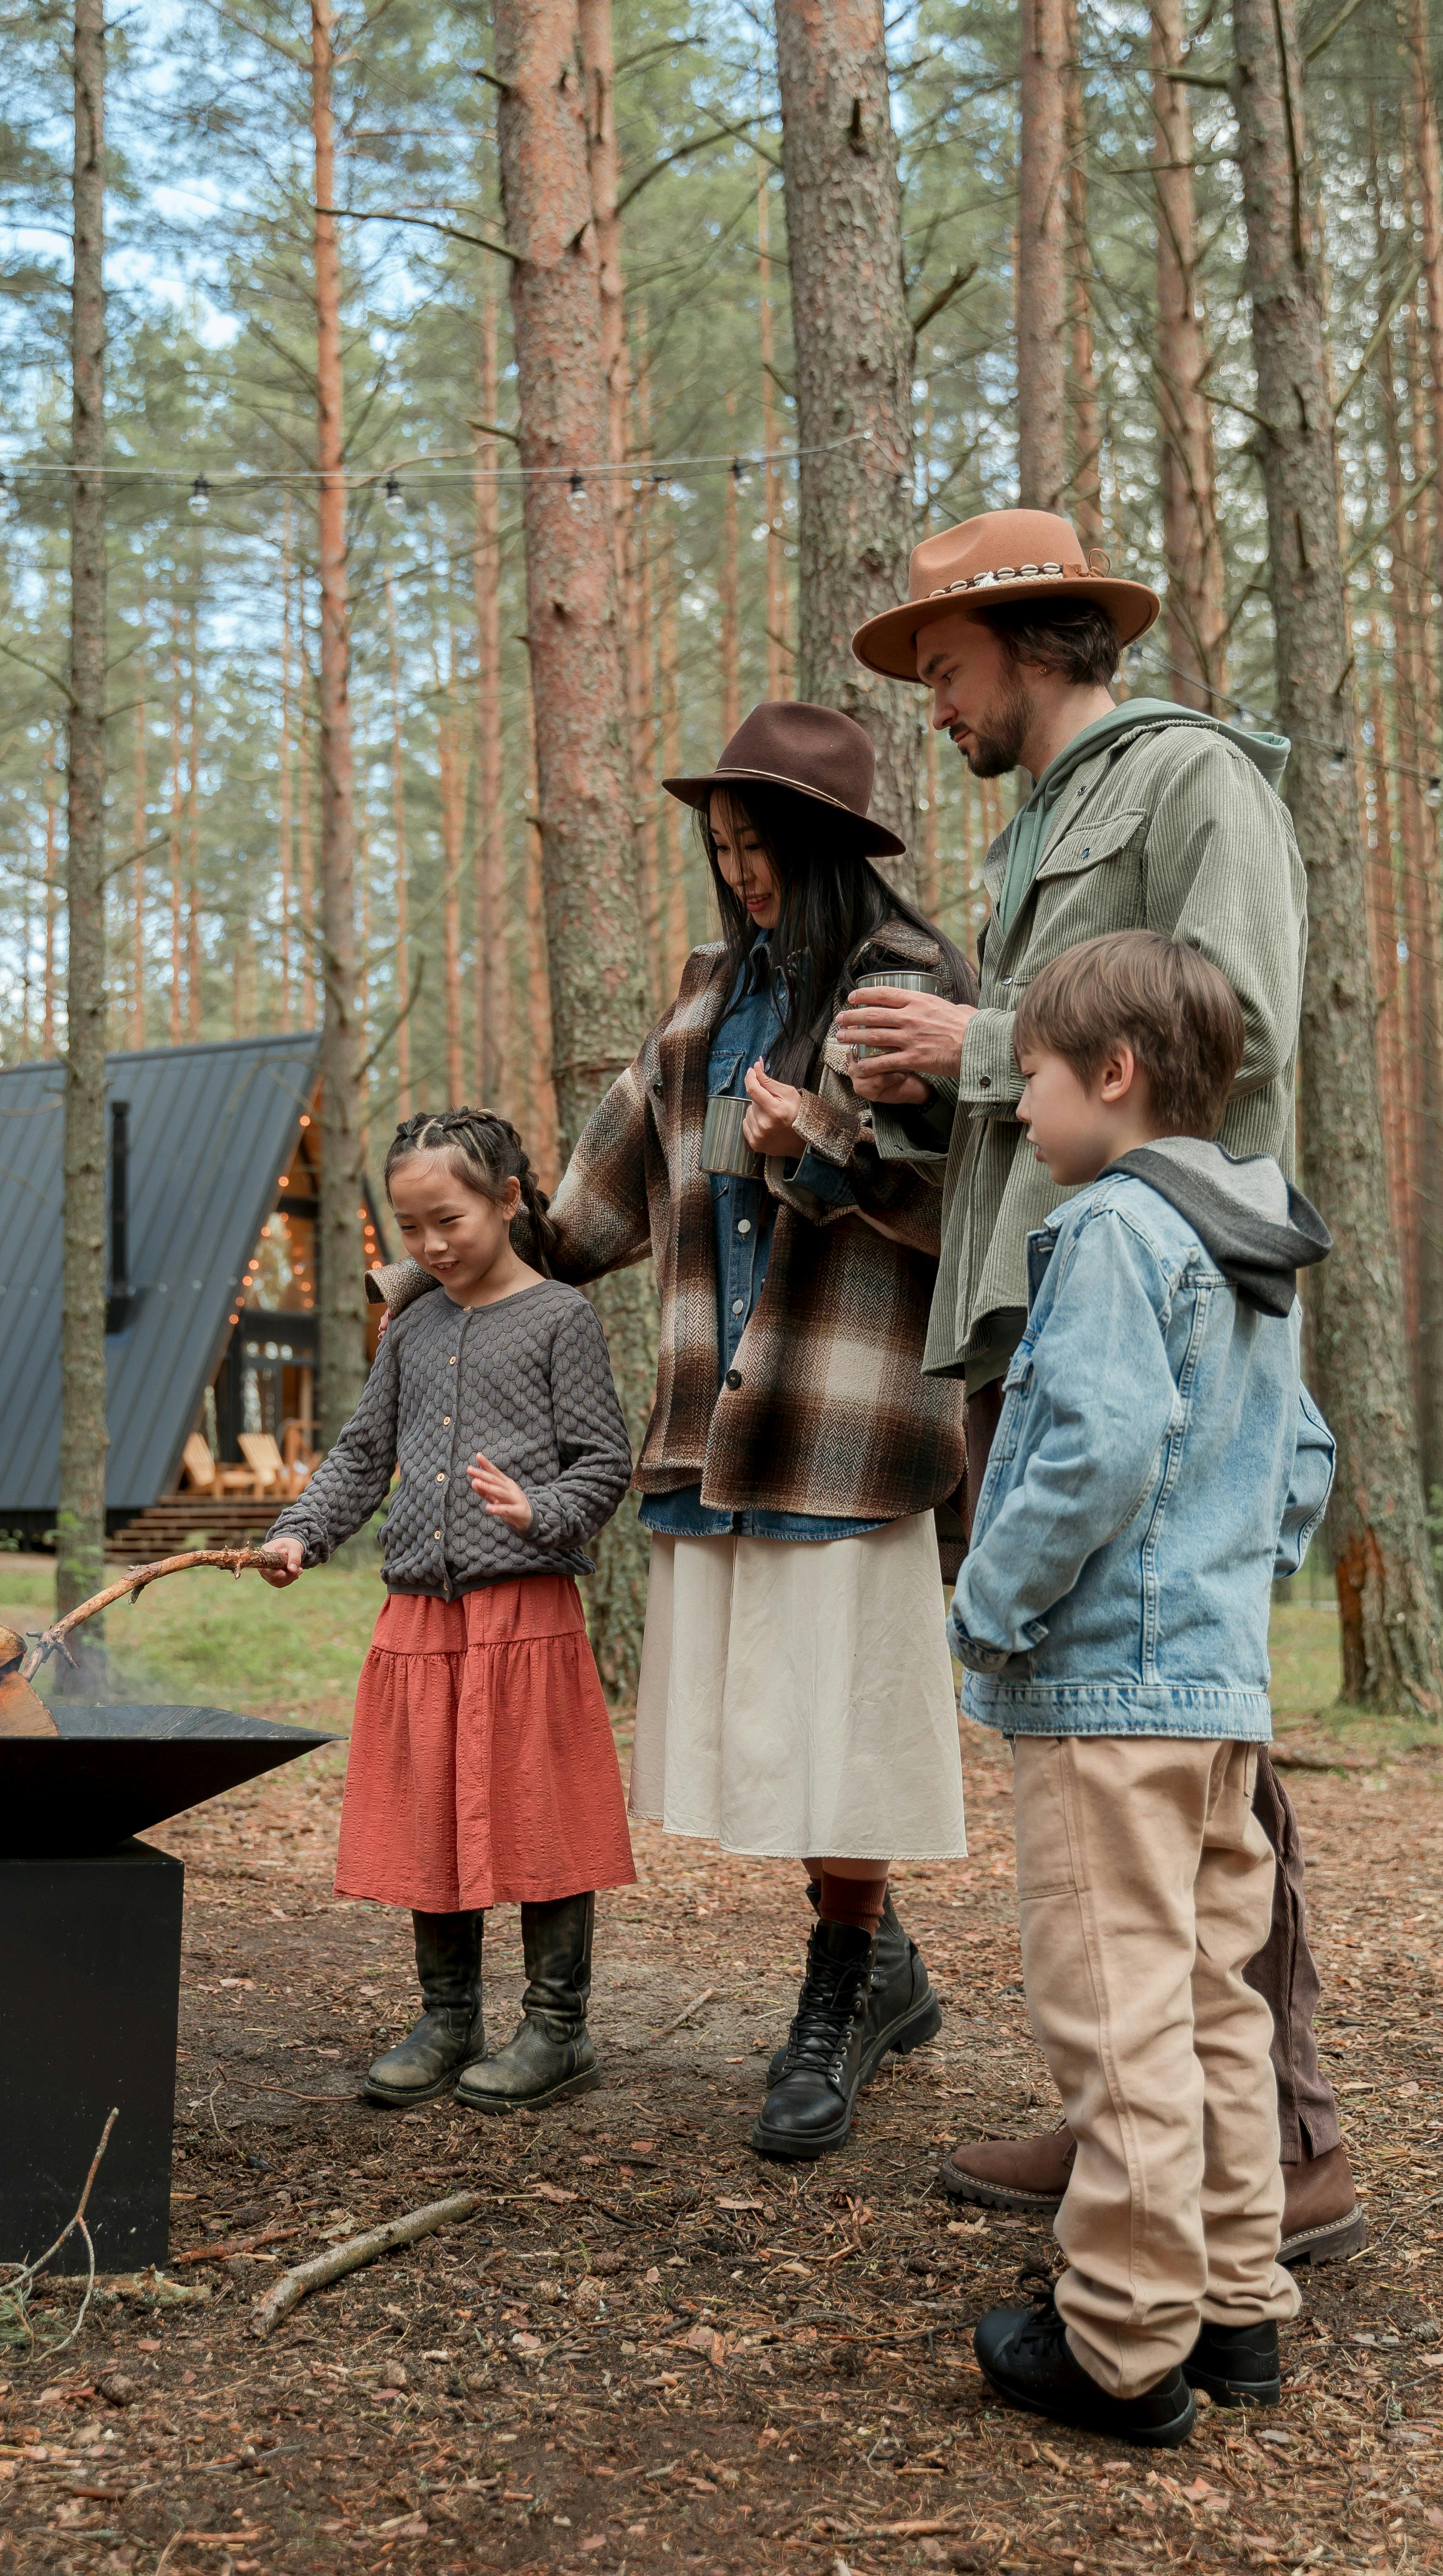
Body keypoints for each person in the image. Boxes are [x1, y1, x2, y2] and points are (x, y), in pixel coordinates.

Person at [837, 508, 1365, 2268]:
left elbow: (1245, 1037)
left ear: (1034, 636)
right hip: (1041, 1310)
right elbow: (1078, 1087)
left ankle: (1274, 2137)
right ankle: (1129, 2108)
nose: (934, 705)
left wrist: (974, 1043)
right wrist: (911, 1118)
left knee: (1187, 1727)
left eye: (944, 667)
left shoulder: (1197, 779)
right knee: (1102, 1731)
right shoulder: (1049, 823)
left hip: (1167, 1323)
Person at [373, 701, 975, 2162]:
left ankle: (840, 1988)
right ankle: (877, 1957)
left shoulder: (915, 984)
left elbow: (962, 1208)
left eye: (759, 848)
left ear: (827, 846)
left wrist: (812, 1153)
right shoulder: (708, 999)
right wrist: (428, 1269)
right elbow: (596, 1198)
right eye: (720, 849)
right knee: (775, 1734)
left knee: (839, 1732)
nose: (739, 874)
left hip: (849, 1420)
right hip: (716, 1425)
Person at [956, 932, 1335, 2445]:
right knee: (1208, 2002)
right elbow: (1297, 1456)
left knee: (1112, 2016)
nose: (1020, 1113)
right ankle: (1236, 2302)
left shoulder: (1115, 1228)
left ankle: (1118, 2343)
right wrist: (1238, 1592)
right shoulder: (1252, 1235)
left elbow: (1095, 1451)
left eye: (1030, 1084)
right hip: (1216, 1695)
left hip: (1104, 1700)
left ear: (1111, 1077)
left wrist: (987, 1605)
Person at [260, 1108, 635, 2114]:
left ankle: (558, 2028)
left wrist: (539, 1510)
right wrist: (303, 1530)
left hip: (526, 1611)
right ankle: (448, 2016)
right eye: (409, 1227)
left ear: (508, 1200)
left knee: (538, 1811)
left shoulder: (560, 1317)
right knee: (431, 1810)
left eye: (448, 1221)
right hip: (422, 1619)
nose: (427, 1246)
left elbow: (605, 1462)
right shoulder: (411, 1325)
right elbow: (360, 1451)